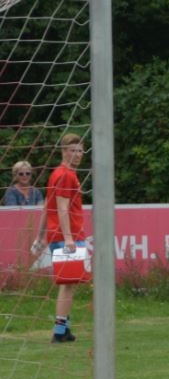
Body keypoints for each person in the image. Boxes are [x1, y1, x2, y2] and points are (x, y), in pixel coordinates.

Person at [44, 134, 86, 343]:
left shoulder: (61, 173)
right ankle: (59, 332)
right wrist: (69, 239)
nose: (77, 154)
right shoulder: (65, 175)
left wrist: (40, 235)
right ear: (63, 151)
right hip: (65, 236)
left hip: (63, 234)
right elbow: (61, 208)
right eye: (73, 150)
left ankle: (64, 329)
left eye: (80, 151)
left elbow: (47, 206)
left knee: (70, 283)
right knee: (67, 283)